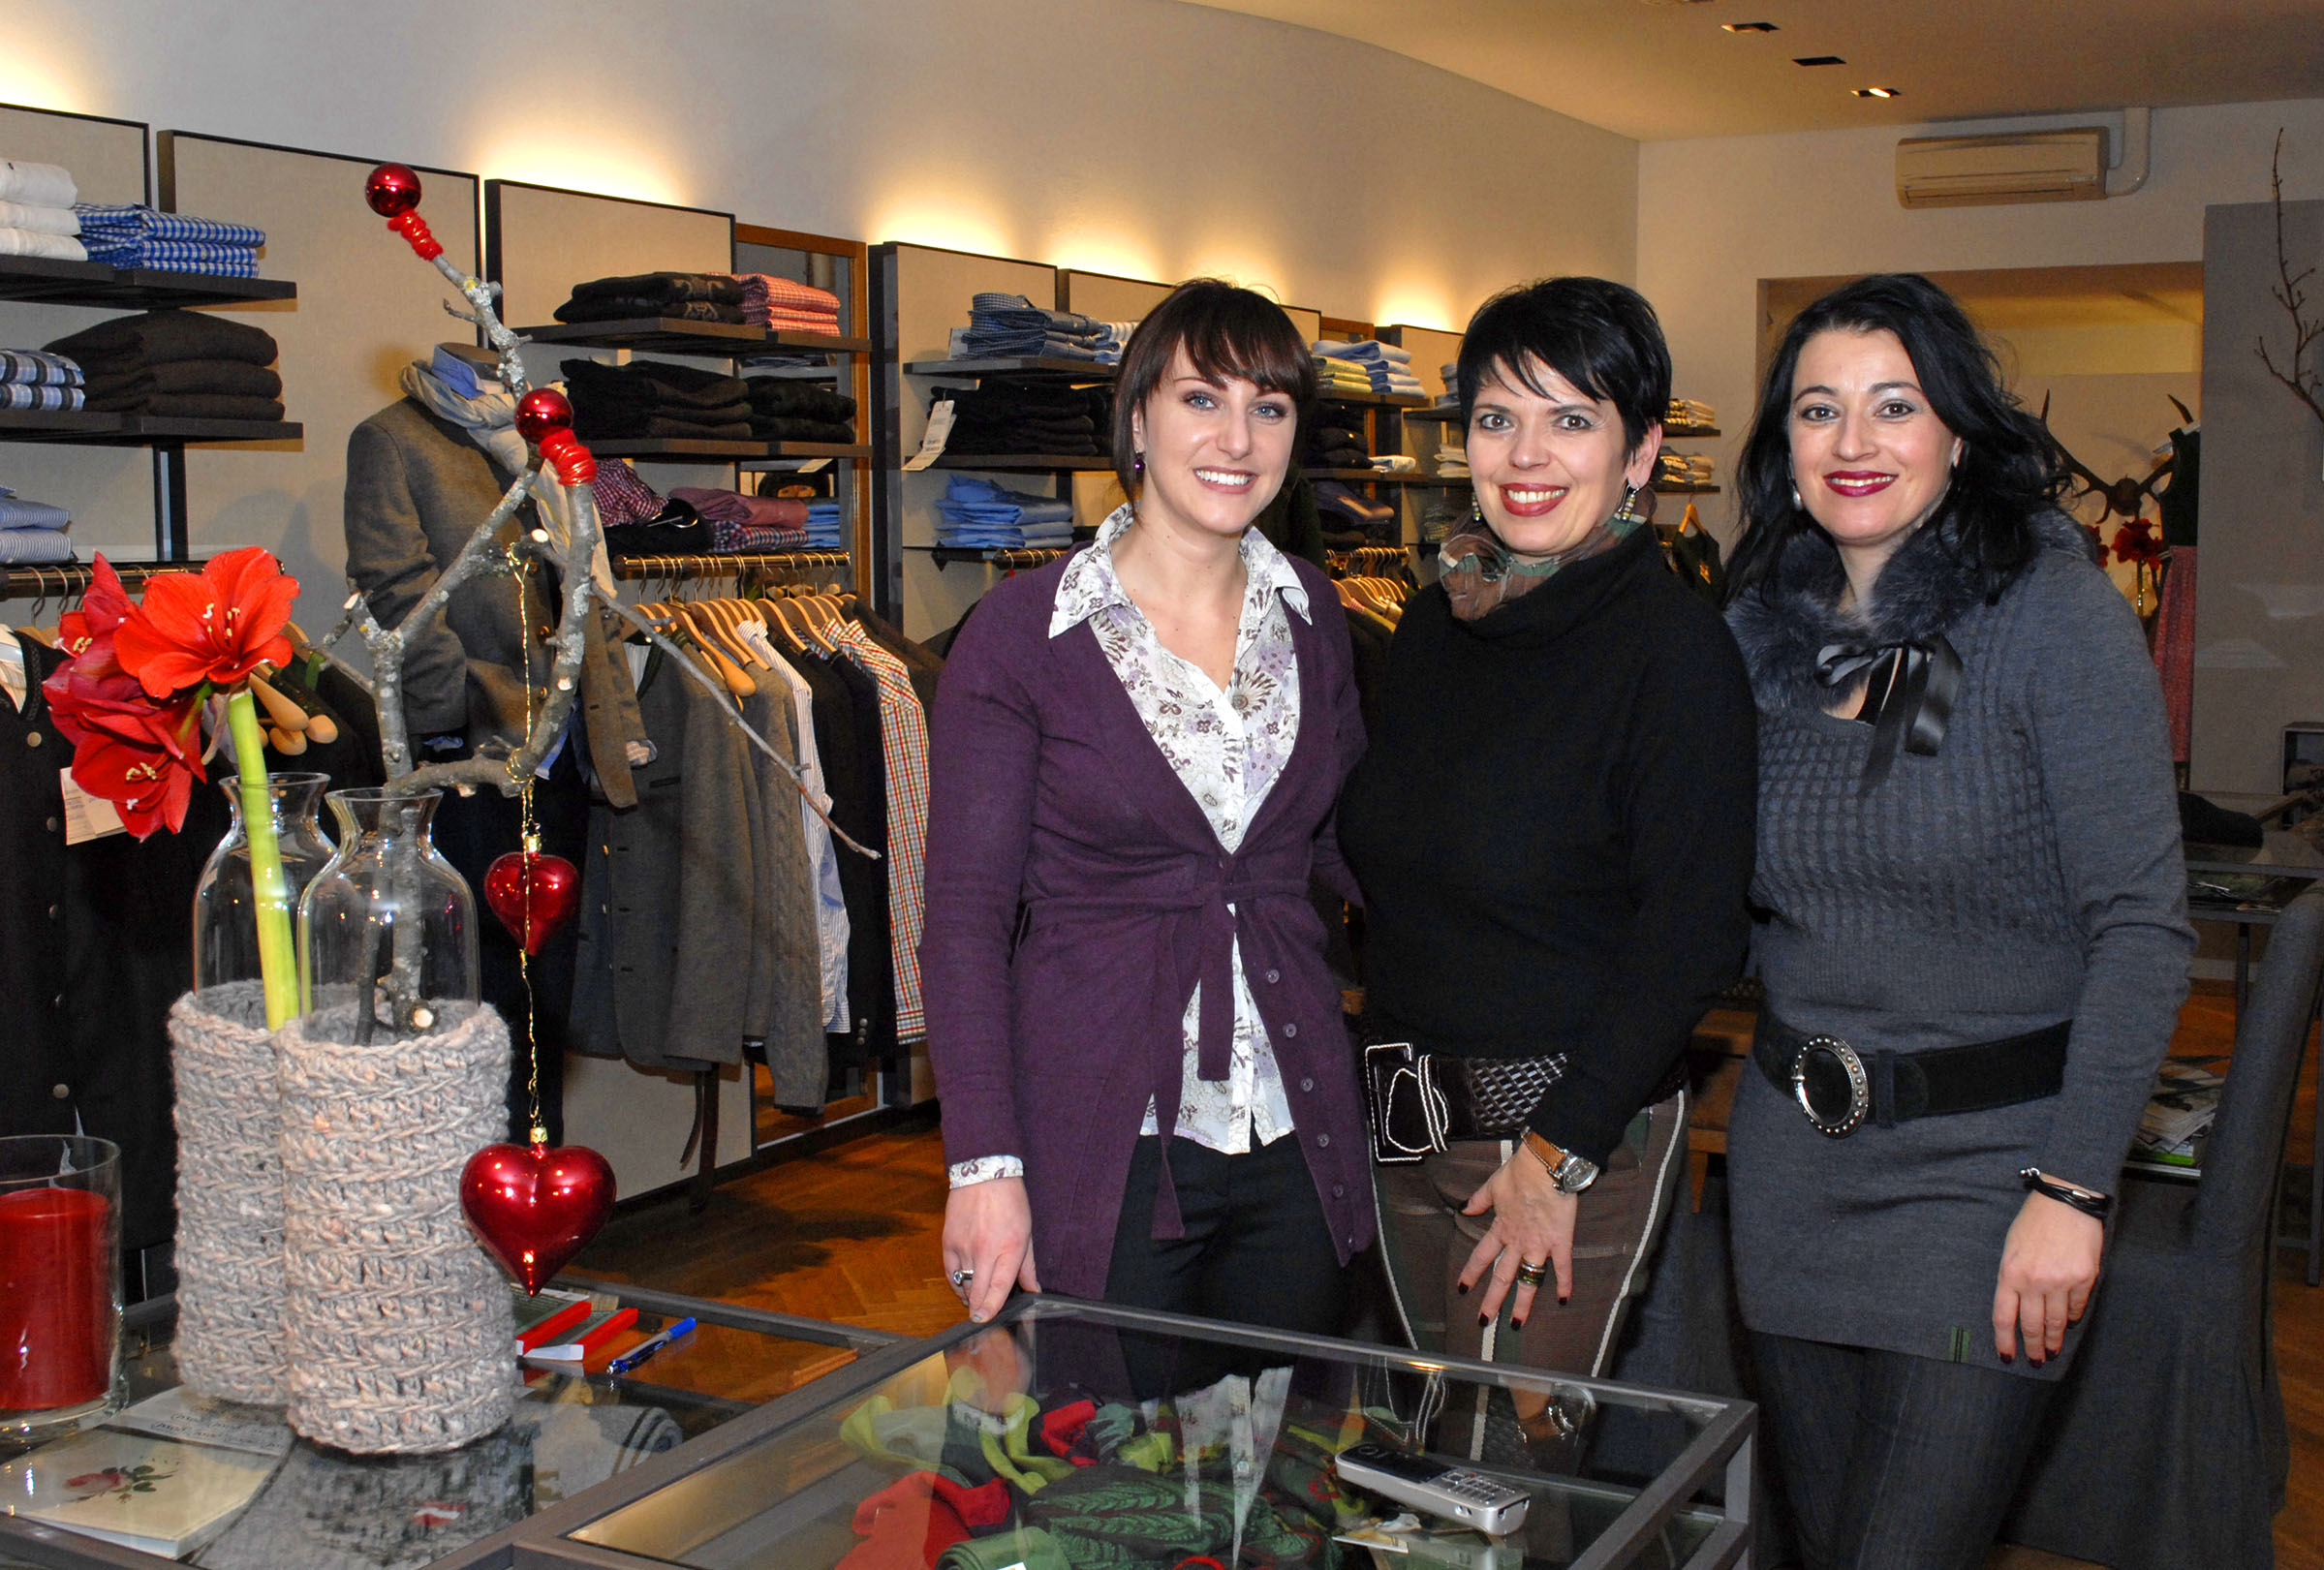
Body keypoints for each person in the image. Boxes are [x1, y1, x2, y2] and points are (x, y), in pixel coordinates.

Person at [1720, 272, 2193, 1567]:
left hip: (1987, 1180)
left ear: (1957, 434)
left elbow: (2141, 929)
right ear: (1782, 447)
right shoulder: (1754, 638)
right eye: (1816, 408)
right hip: (1790, 1170)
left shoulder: (2050, 617)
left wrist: (2072, 1187)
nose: (1852, 440)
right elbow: (1740, 895)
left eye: (1893, 405)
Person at [922, 279, 1373, 1333]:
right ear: (1135, 421)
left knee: (1285, 1423)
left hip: (1297, 1118)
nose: (1236, 438)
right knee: (1106, 1431)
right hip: (1101, 1129)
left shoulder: (1313, 614)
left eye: (1268, 406)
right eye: (1200, 399)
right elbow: (964, 919)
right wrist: (982, 1163)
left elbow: (1352, 846)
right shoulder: (1022, 633)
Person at [1337, 277, 1757, 1391]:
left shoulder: (1673, 652)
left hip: (1565, 1140)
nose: (1525, 454)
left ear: (1639, 452)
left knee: (1497, 1472)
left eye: (1569, 419)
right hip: (1402, 1128)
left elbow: (1693, 934)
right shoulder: (1433, 625)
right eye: (1496, 417)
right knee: (1419, 1451)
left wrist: (1553, 1153)